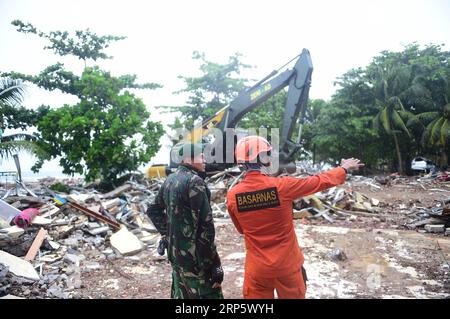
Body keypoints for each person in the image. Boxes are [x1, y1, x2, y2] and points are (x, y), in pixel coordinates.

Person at [226, 135, 364, 299]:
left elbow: (241, 229)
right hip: (287, 266)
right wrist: (344, 169)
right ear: (265, 159)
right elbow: (319, 181)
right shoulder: (282, 187)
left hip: (258, 268)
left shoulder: (233, 195)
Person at [147, 142, 224, 299]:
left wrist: (166, 234)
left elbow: (153, 210)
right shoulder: (195, 182)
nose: (204, 159)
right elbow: (205, 228)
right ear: (188, 159)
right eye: (201, 156)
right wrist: (213, 264)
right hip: (196, 263)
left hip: (176, 258)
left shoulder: (170, 180)